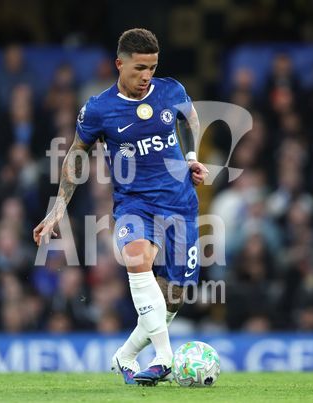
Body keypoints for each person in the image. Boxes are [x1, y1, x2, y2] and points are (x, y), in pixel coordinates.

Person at [32, 28, 208, 386]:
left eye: (152, 68)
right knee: (137, 258)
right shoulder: (99, 109)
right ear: (119, 64)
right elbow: (76, 154)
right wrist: (59, 207)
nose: (147, 76)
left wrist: (191, 157)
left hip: (180, 204)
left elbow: (189, 118)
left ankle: (125, 355)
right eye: (140, 68)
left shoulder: (170, 90)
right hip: (134, 204)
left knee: (174, 297)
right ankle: (164, 358)